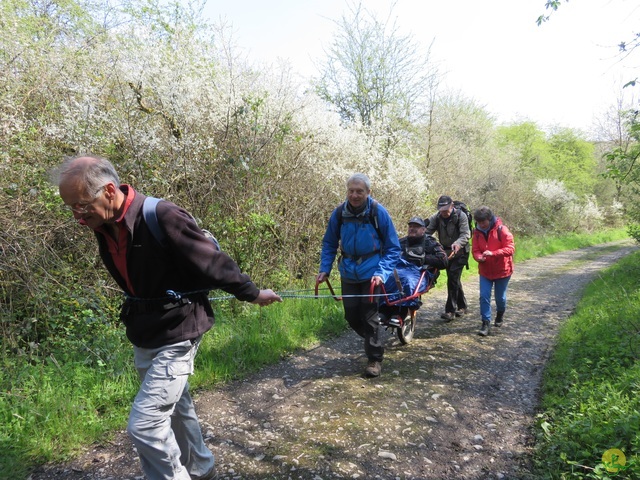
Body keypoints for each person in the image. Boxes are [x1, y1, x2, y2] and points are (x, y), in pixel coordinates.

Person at [53, 154, 282, 480]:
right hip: (146, 330)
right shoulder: (102, 224)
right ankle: (201, 466)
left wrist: (253, 293)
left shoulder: (162, 215)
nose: (76, 215)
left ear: (107, 191)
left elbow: (212, 262)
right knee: (177, 405)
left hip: (180, 328)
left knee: (145, 423)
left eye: (80, 205)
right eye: (70, 207)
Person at [317, 173, 401, 378]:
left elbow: (393, 248)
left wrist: (381, 273)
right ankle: (374, 340)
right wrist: (324, 269)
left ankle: (374, 359)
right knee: (351, 315)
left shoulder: (378, 212)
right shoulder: (339, 214)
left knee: (369, 316)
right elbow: (329, 243)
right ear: (347, 191)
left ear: (368, 192)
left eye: (359, 191)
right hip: (347, 271)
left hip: (372, 273)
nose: (354, 195)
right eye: (351, 191)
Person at [379, 216, 449, 327]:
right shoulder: (400, 242)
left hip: (420, 273)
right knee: (384, 278)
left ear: (423, 229)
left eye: (416, 227)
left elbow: (444, 261)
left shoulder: (430, 243)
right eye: (410, 226)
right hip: (399, 270)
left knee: (407, 281)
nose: (412, 229)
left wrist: (423, 258)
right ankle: (384, 312)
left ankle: (400, 314)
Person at [425, 195, 471, 321]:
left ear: (452, 205)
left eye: (446, 209)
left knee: (452, 277)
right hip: (446, 253)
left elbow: (466, 234)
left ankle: (450, 311)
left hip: (461, 252)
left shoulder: (461, 216)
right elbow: (427, 232)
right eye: (441, 209)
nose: (444, 212)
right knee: (454, 279)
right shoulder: (437, 217)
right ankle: (462, 306)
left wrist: (458, 243)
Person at [471, 206, 515, 337]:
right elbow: (475, 250)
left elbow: (510, 248)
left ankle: (500, 313)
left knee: (500, 298)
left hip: (502, 270)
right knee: (484, 296)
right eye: (479, 222)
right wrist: (479, 257)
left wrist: (494, 253)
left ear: (489, 219)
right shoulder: (477, 233)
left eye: (483, 222)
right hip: (485, 271)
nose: (481, 225)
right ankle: (485, 323)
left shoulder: (502, 230)